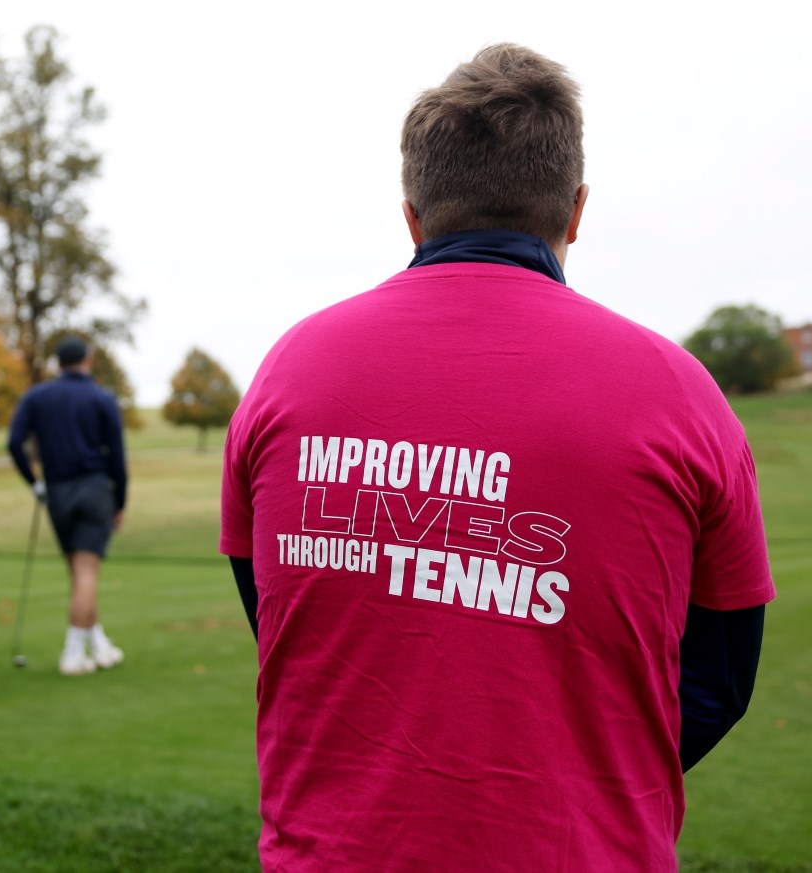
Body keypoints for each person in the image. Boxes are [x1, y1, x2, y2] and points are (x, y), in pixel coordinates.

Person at [219, 44, 775, 871]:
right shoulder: (679, 391)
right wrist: (584, 772)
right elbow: (720, 679)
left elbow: (276, 615)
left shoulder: (289, 369)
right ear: (575, 210)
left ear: (412, 213)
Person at [8, 336, 128, 675]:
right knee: (87, 571)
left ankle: (99, 644)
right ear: (87, 360)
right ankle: (73, 652)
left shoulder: (37, 396)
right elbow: (117, 457)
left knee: (78, 572)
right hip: (94, 490)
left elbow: (14, 443)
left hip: (57, 493)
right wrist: (120, 501)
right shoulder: (102, 397)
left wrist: (34, 483)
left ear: (57, 363)